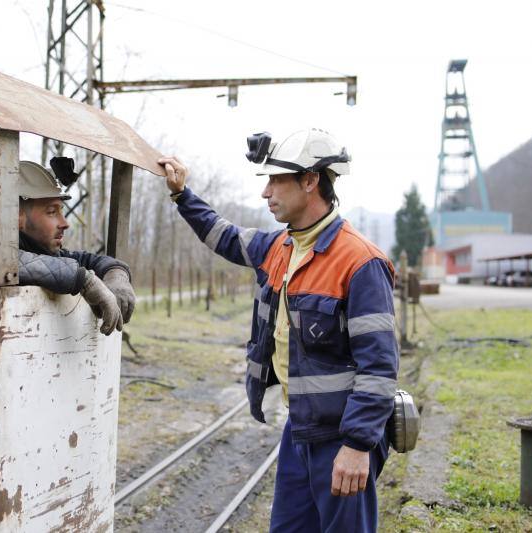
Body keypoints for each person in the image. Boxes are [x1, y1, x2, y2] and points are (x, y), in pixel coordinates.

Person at [158, 129, 398, 533]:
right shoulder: (280, 247)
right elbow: (224, 235)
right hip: (300, 429)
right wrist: (182, 195)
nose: (266, 192)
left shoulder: (359, 262)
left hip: (341, 437)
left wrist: (358, 445)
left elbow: (379, 368)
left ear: (310, 181)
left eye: (276, 180)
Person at [0, 160, 136, 500]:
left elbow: (94, 261)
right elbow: (2, 263)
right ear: (16, 215)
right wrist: (83, 281)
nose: (64, 223)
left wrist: (116, 276)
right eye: (51, 212)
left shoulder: (45, 252)